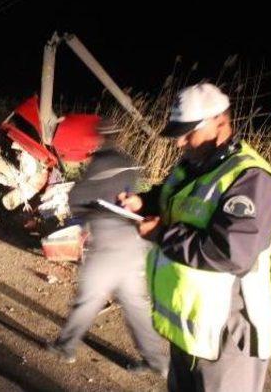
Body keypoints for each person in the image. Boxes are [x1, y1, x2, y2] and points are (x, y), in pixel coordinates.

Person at [119, 83, 271, 391]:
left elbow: (230, 253)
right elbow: (173, 198)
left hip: (227, 336)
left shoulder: (250, 179)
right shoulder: (193, 164)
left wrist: (161, 234)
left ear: (221, 122)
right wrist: (143, 203)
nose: (181, 141)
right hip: (189, 331)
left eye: (188, 131)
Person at [47, 118, 169, 377]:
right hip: (135, 244)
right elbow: (135, 193)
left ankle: (65, 347)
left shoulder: (99, 164)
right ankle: (157, 361)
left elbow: (78, 198)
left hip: (108, 244)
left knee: (89, 297)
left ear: (98, 139)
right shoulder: (128, 163)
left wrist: (81, 212)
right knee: (135, 303)